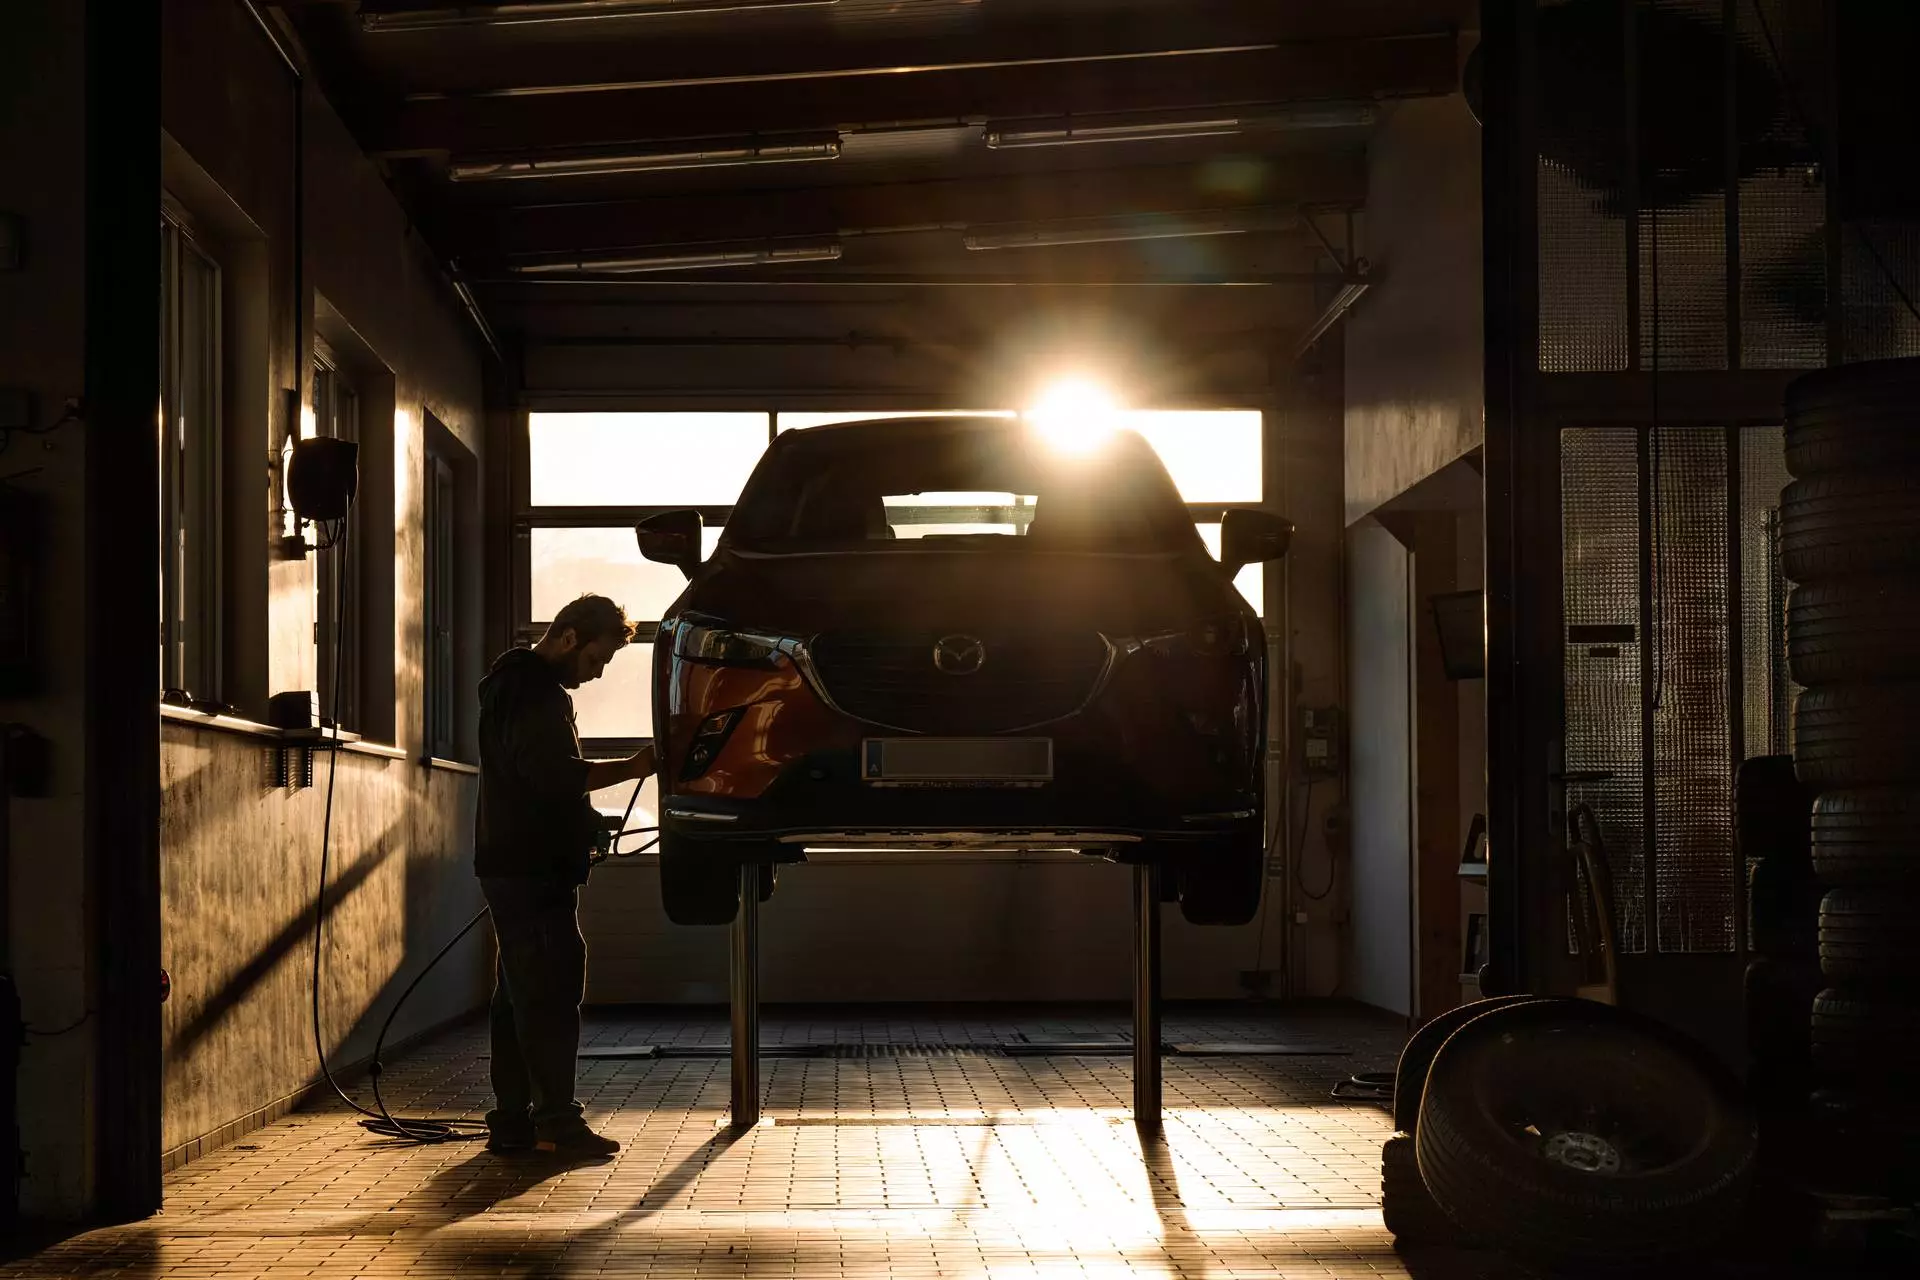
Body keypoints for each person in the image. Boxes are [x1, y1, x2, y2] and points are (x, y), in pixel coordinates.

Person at [474, 593, 654, 1158]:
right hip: (533, 868)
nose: (597, 674)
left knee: (519, 994)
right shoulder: (535, 692)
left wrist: (578, 820)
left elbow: (533, 782)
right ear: (570, 638)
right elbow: (551, 776)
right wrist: (633, 768)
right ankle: (556, 1120)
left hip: (512, 862)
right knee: (550, 991)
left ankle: (513, 1120)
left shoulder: (511, 685)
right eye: (597, 659)